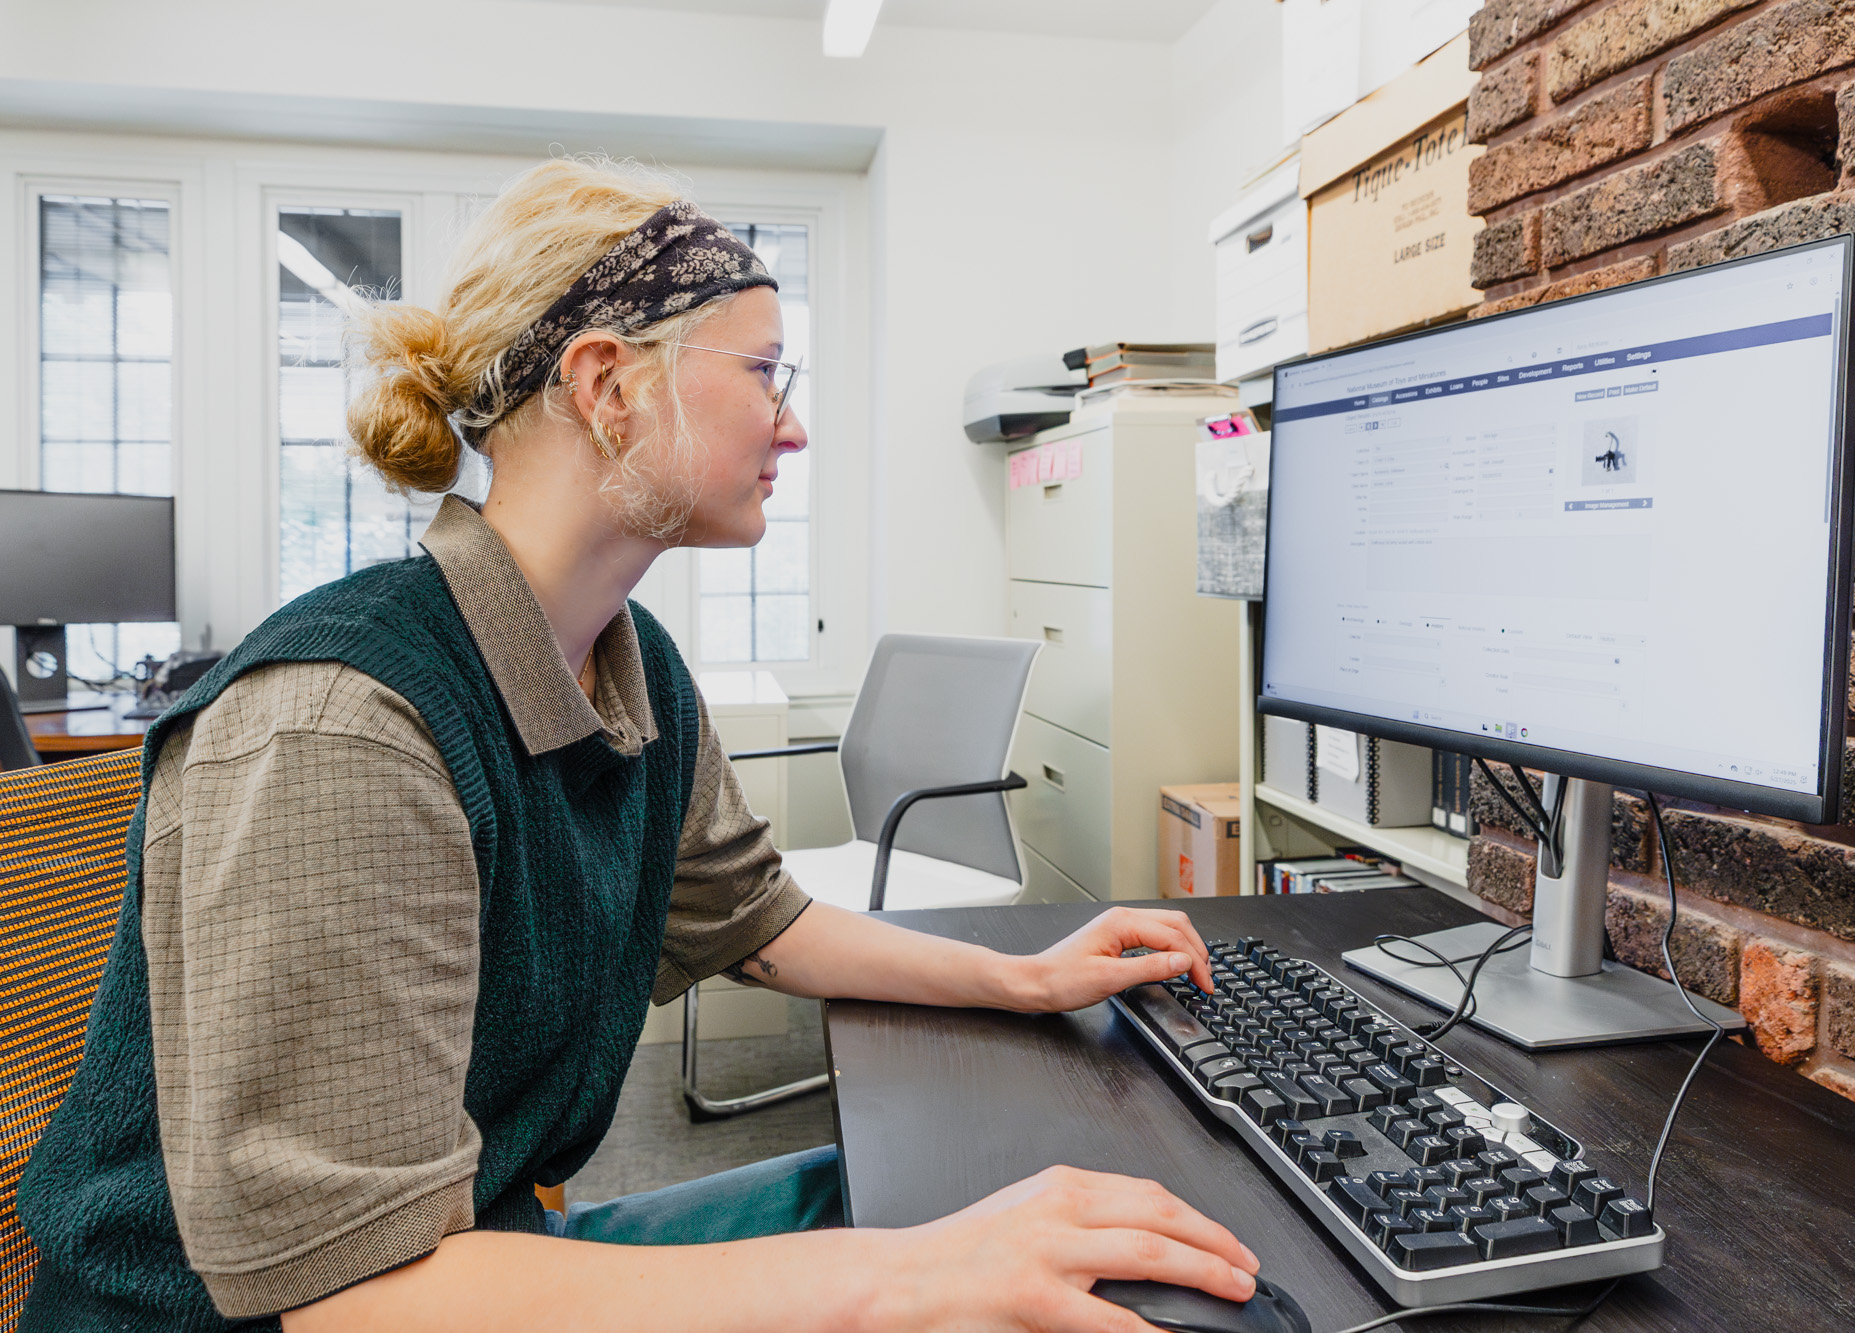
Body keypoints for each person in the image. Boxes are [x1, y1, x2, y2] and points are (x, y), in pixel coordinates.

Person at [14, 157, 1258, 1333]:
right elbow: (360, 1299)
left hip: (469, 1249)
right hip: (285, 1310)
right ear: (608, 387)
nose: (791, 423)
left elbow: (753, 921)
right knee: (927, 1259)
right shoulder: (347, 728)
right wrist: (905, 1277)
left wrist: (1025, 974)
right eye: (767, 370)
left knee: (976, 1209)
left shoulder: (629, 659)